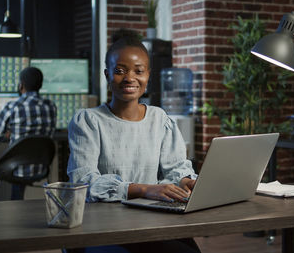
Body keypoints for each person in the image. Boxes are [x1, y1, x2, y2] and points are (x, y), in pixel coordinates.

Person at [66, 30, 200, 253]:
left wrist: (185, 182)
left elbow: (175, 169)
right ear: (107, 75)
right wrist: (145, 190)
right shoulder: (88, 121)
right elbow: (84, 182)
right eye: (120, 71)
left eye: (138, 71)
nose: (129, 78)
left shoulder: (160, 119)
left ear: (148, 75)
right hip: (102, 227)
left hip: (152, 221)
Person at [0, 67, 57, 186]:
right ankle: (16, 202)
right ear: (40, 85)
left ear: (21, 85)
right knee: (18, 162)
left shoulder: (13, 106)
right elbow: (35, 133)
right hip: (41, 168)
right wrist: (14, 131)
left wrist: (1, 133)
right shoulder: (51, 106)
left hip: (15, 168)